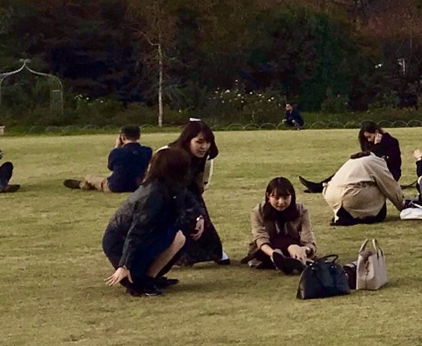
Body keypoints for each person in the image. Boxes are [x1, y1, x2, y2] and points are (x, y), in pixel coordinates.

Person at [102, 146, 196, 296]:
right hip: (120, 240)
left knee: (180, 236)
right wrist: (124, 264)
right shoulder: (153, 194)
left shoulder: (173, 185)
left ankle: (150, 278)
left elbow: (191, 203)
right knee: (135, 284)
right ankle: (142, 281)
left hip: (146, 236)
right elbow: (136, 231)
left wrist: (199, 219)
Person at [166, 119, 229, 264]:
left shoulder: (204, 158)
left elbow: (200, 180)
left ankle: (214, 252)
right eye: (199, 142)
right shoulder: (172, 156)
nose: (204, 146)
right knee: (184, 220)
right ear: (188, 140)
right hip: (170, 193)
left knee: (202, 219)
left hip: (190, 190)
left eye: (207, 142)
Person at [299, 122, 404, 194]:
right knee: (349, 168)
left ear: (377, 132)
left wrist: (377, 146)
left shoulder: (391, 142)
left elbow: (385, 161)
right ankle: (324, 185)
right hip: (373, 172)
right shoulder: (371, 144)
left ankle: (321, 186)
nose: (368, 140)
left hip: (388, 174)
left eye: (369, 137)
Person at [243, 177, 318, 274]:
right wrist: (274, 254)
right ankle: (283, 260)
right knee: (269, 252)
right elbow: (260, 238)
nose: (281, 202)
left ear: (292, 196)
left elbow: (308, 238)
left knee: (294, 248)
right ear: (268, 196)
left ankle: (293, 260)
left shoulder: (301, 210)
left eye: (286, 198)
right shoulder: (258, 211)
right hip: (268, 248)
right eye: (276, 198)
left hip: (294, 246)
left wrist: (303, 249)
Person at [317, 144, 406, 225]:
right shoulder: (376, 161)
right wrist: (403, 206)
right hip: (351, 194)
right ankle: (363, 217)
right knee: (380, 185)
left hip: (330, 194)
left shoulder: (354, 160)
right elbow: (390, 186)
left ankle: (346, 215)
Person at [66, 126, 151, 192]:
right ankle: (87, 185)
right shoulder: (147, 151)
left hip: (116, 186)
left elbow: (110, 167)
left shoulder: (117, 152)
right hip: (137, 185)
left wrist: (116, 147)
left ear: (123, 137)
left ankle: (83, 184)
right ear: (139, 136)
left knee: (90, 178)